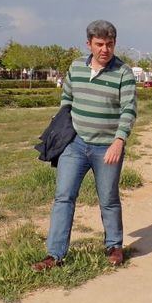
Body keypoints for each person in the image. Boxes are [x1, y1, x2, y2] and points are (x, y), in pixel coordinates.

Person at [31, 20, 137, 271]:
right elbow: (67, 97)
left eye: (110, 44)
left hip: (107, 148)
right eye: (99, 44)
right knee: (63, 197)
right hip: (75, 145)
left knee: (109, 198)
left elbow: (129, 110)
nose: (105, 49)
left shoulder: (123, 73)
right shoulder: (76, 67)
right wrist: (63, 125)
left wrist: (119, 141)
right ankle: (54, 255)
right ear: (88, 43)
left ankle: (114, 246)